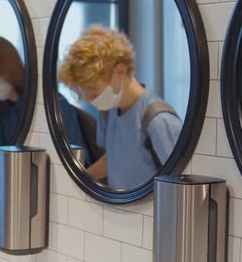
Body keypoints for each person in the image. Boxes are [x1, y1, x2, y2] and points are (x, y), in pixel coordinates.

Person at [58, 25, 182, 189]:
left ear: (120, 71)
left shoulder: (159, 122)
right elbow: (113, 159)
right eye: (86, 93)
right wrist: (77, 182)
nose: (90, 99)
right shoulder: (109, 113)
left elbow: (178, 183)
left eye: (94, 90)